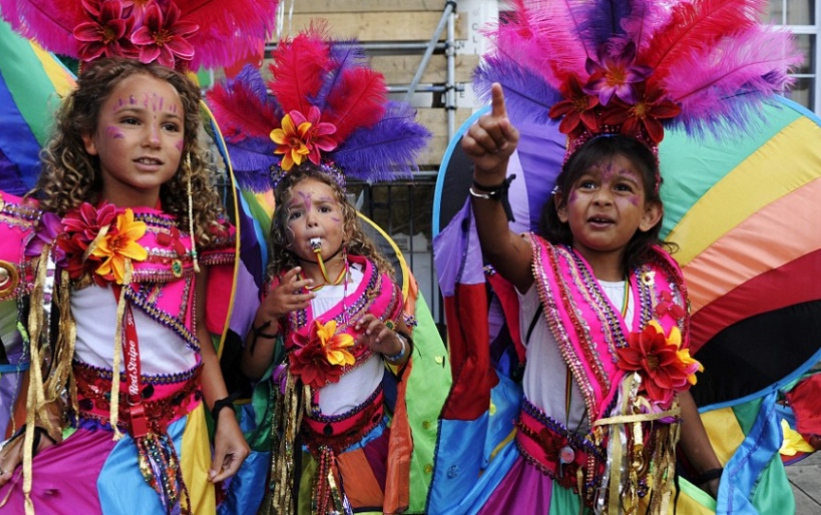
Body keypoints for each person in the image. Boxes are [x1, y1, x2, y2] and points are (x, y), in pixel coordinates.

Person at [0, 57, 248, 514]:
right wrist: (34, 422)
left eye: (171, 127)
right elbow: (42, 348)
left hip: (184, 437)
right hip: (90, 441)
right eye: (132, 121)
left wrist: (225, 415)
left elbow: (201, 343)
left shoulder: (197, 236)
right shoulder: (53, 237)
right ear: (89, 138)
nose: (153, 140)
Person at [460, 83, 725, 513]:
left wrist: (713, 476)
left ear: (650, 214)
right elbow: (496, 244)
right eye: (587, 185)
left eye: (622, 188)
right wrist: (489, 176)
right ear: (563, 206)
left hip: (637, 492)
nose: (602, 198)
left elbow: (674, 389)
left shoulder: (660, 288)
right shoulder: (541, 265)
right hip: (545, 485)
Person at [241, 164, 414, 514]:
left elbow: (409, 357)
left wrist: (390, 344)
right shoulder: (281, 292)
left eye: (324, 208)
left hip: (371, 449)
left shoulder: (379, 288)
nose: (311, 221)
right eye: (296, 213)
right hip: (302, 458)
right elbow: (253, 370)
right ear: (283, 234)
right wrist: (268, 314)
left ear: (347, 223)